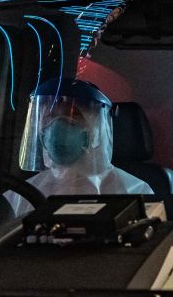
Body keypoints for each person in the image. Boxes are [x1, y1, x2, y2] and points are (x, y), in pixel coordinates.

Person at [9, 78, 153, 215]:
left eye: (73, 116)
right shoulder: (21, 195)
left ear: (96, 128)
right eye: (50, 117)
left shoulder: (134, 193)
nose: (58, 126)